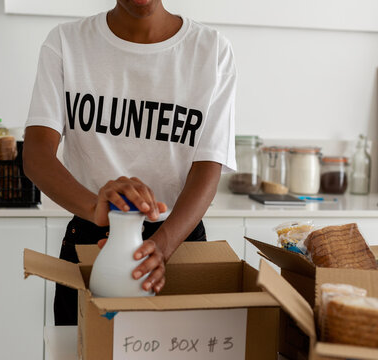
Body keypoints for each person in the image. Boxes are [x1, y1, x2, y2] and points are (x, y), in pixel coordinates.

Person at [23, 0, 237, 325]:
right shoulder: (66, 42)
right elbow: (37, 155)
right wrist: (96, 204)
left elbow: (209, 165)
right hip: (92, 234)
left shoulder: (212, 50)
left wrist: (163, 246)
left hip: (177, 238)